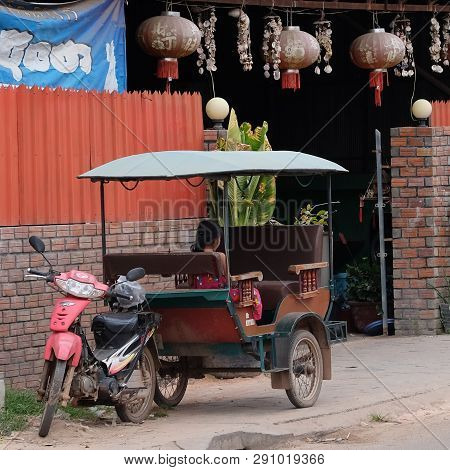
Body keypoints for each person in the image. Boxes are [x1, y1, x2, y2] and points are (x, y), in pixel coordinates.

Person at [191, 220, 263, 321]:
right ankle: (255, 320)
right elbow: (230, 281)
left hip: (200, 295)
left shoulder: (193, 257)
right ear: (216, 239)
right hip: (222, 296)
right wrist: (236, 282)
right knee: (254, 292)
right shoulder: (220, 256)